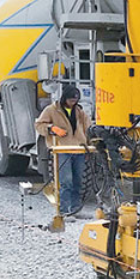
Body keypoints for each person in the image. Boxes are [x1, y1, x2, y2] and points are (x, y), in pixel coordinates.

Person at [35, 85, 90, 217]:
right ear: (65, 98)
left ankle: (76, 209)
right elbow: (39, 125)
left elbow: (88, 128)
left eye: (75, 100)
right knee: (66, 181)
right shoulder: (51, 110)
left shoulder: (79, 112)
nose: (73, 103)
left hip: (79, 149)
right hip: (62, 150)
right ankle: (64, 211)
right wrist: (51, 128)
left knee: (78, 181)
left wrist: (89, 145)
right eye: (71, 100)